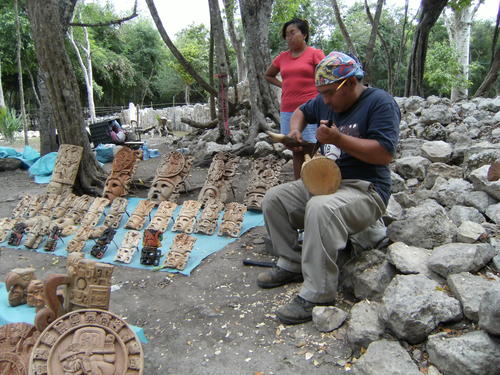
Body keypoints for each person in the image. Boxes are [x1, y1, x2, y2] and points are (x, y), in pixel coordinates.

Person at [257, 51, 400, 325]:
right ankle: (291, 263)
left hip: (365, 190)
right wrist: (296, 131)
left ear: (350, 84)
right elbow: (301, 111)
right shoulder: (326, 101)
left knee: (320, 208)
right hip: (325, 182)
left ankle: (319, 291)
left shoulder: (380, 103)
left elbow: (384, 154)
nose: (325, 101)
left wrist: (339, 139)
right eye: (321, 93)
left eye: (330, 93)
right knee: (275, 198)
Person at [264, 18, 325, 179]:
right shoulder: (282, 57)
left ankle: (314, 185)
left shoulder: (314, 54)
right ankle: (299, 186)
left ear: (304, 34)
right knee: (296, 149)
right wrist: (283, 85)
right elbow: (268, 75)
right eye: (286, 35)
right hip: (288, 110)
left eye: (292, 33)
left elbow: (326, 75)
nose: (289, 37)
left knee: (310, 147)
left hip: (310, 109)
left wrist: (321, 93)